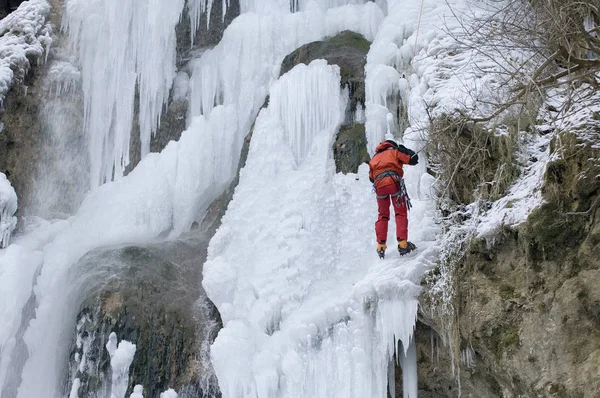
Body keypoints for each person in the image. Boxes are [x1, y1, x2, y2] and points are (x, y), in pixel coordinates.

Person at [368, 139, 418, 258]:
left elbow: (371, 178)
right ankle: (402, 244)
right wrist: (403, 149)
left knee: (382, 215)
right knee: (400, 213)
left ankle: (380, 246)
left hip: (379, 186)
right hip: (393, 182)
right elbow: (413, 159)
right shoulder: (395, 151)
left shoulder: (374, 158)